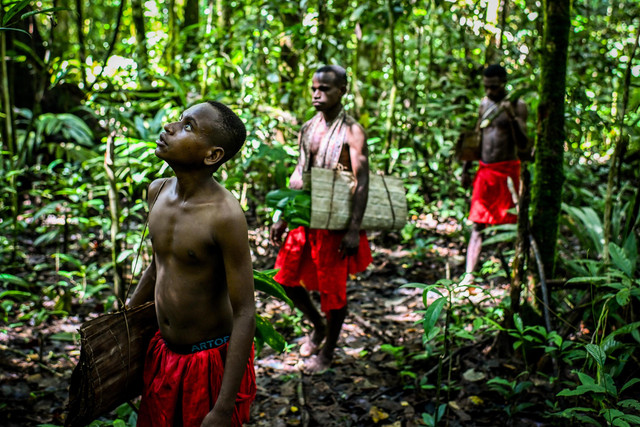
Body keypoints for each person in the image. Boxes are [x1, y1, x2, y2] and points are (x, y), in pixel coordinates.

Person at [128, 101, 256, 426]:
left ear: (212, 155)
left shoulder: (224, 216)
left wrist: (223, 407)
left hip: (208, 361)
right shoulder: (156, 192)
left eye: (188, 126)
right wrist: (125, 318)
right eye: (179, 119)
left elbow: (244, 312)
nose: (169, 127)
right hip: (163, 354)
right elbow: (161, 264)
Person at [269, 65, 372, 373]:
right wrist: (281, 215)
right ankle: (317, 325)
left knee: (332, 289)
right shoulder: (308, 128)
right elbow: (299, 173)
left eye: (325, 89)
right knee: (285, 279)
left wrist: (353, 229)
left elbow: (362, 179)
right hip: (304, 215)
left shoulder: (352, 131)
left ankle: (327, 351)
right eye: (314, 88)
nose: (317, 93)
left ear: (342, 91)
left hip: (335, 222)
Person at [461, 64, 529, 287]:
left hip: (508, 171)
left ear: (504, 83)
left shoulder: (518, 106)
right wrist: (466, 168)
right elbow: (478, 137)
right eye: (486, 87)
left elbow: (524, 144)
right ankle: (469, 275)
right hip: (485, 171)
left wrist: (511, 118)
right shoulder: (484, 104)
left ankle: (507, 274)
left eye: (494, 87)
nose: (489, 91)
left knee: (509, 225)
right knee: (477, 224)